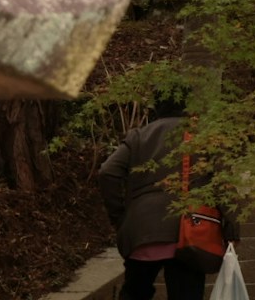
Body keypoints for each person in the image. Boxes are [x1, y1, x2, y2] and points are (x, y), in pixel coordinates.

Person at [98, 93, 239, 300]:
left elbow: (107, 172)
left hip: (142, 232)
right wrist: (232, 229)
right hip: (189, 234)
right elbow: (223, 183)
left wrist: (120, 218)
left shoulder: (138, 136)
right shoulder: (203, 136)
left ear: (155, 108)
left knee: (135, 293)